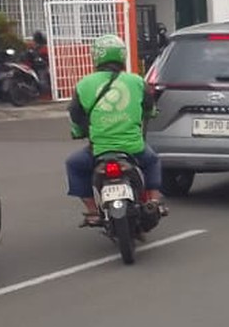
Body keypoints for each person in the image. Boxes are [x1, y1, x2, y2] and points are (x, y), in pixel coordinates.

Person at [65, 35, 166, 226]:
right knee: (152, 161)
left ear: (96, 57)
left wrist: (78, 132)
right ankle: (154, 201)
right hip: (133, 148)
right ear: (122, 56)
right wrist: (151, 113)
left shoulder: (84, 84)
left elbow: (75, 114)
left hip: (99, 151)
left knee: (74, 165)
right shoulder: (136, 81)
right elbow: (149, 106)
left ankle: (93, 211)